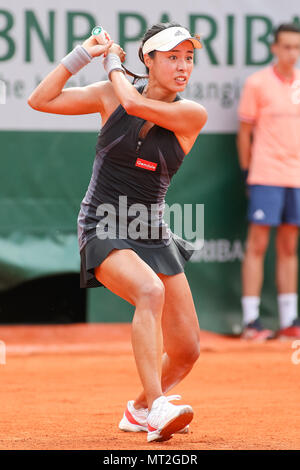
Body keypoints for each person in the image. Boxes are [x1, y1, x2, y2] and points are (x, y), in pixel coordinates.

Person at [28, 22, 207, 442]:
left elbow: (133, 101)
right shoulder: (112, 93)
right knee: (149, 292)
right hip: (101, 222)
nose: (183, 67)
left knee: (186, 351)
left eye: (189, 58)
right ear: (148, 59)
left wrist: (112, 64)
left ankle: (139, 408)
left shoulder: (190, 113)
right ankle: (157, 405)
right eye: (172, 57)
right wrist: (84, 53)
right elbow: (40, 99)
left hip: (152, 229)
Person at [237, 23, 300, 341]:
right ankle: (252, 321)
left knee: (289, 246)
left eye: (297, 47)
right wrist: (247, 173)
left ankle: (290, 320)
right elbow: (245, 132)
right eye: (286, 46)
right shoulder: (257, 83)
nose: (292, 53)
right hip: (265, 174)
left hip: (297, 178)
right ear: (274, 48)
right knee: (258, 245)